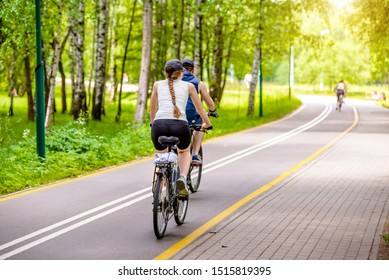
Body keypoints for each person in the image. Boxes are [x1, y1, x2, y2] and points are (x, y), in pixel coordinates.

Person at [149, 59, 212, 200]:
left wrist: (153, 124)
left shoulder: (157, 85)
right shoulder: (189, 86)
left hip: (159, 126)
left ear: (165, 72)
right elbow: (200, 109)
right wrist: (207, 124)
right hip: (180, 126)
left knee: (162, 156)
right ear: (181, 73)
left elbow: (152, 109)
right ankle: (182, 178)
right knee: (183, 151)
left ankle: (163, 187)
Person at [181, 58, 218, 165]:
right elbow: (209, 102)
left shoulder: (174, 81)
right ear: (192, 70)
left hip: (174, 114)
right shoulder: (198, 83)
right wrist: (212, 111)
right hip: (191, 115)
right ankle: (195, 154)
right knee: (201, 123)